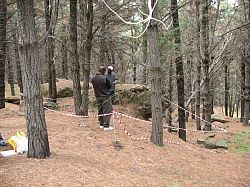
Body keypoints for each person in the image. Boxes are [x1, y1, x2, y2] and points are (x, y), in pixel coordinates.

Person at [91, 66, 114, 131]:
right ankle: (106, 126)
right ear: (103, 71)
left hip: (97, 96)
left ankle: (101, 124)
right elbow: (109, 86)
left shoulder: (93, 79)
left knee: (100, 110)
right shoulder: (105, 78)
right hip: (105, 96)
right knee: (107, 111)